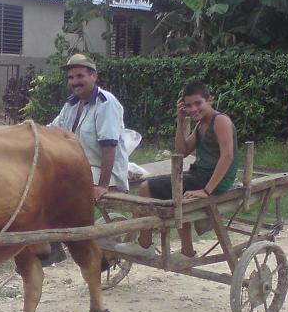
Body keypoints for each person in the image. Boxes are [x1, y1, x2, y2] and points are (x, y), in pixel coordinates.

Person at [118, 80, 238, 261]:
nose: (194, 109)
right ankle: (187, 251)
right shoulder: (201, 125)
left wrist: (207, 191)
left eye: (198, 103)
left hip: (214, 180)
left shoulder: (220, 121)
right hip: (200, 175)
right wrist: (180, 120)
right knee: (178, 191)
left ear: (210, 100)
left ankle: (144, 245)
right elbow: (181, 151)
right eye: (188, 105)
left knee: (146, 188)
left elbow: (227, 156)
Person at [50, 53, 130, 201]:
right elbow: (51, 130)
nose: (75, 82)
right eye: (71, 78)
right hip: (80, 169)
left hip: (103, 172)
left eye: (80, 76)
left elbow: (109, 146)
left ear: (94, 76)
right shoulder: (71, 104)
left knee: (62, 187)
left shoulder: (106, 103)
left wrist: (102, 186)